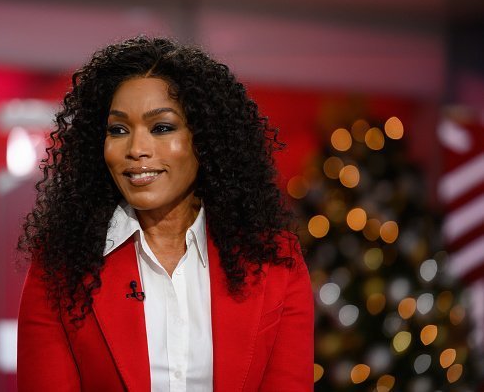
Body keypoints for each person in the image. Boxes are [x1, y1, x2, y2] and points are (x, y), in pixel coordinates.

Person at [17, 36, 313, 392]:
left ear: (204, 138)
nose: (137, 149)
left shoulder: (275, 260)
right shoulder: (59, 267)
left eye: (162, 128)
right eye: (118, 130)